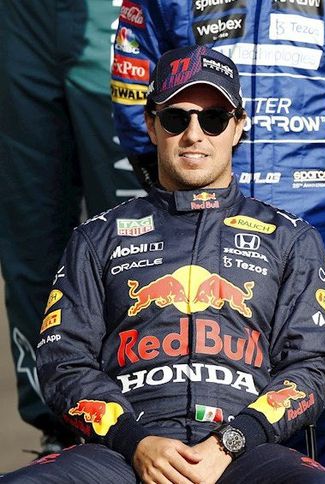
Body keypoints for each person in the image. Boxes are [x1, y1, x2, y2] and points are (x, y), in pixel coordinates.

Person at [1, 45, 325, 484]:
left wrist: (230, 442)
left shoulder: (291, 238)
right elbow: (63, 362)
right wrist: (135, 442)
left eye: (214, 119)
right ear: (151, 125)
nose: (194, 135)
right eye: (176, 119)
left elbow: (313, 366)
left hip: (247, 452)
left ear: (238, 127)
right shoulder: (97, 237)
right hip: (124, 452)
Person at [109, 0, 325, 476]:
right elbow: (133, 71)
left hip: (312, 213)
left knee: (321, 379)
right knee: (177, 373)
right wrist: (172, 185)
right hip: (189, 217)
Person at [0, 0, 144, 455]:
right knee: (30, 238)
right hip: (20, 19)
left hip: (113, 16)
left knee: (134, 241)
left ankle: (141, 423)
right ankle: (58, 429)